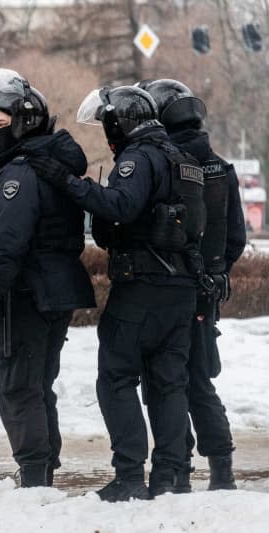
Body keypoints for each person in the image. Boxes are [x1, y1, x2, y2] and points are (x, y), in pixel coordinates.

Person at [29, 85, 205, 500]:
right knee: (169, 384)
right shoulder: (185, 160)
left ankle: (128, 477)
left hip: (143, 287)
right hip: (181, 290)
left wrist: (70, 183)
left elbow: (121, 207)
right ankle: (169, 476)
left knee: (116, 379)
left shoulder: (139, 157)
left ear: (118, 124)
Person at [0, 69, 95, 488]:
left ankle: (35, 474)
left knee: (18, 385)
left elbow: (6, 244)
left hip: (25, 293)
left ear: (24, 123)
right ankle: (42, 466)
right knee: (38, 383)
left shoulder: (22, 173)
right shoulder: (52, 163)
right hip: (54, 289)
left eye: (3, 123)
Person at [141, 79, 246, 491]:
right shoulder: (222, 167)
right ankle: (221, 470)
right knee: (199, 379)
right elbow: (236, 236)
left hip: (172, 285)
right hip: (207, 291)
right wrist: (218, 271)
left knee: (169, 381)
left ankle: (178, 468)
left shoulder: (170, 164)